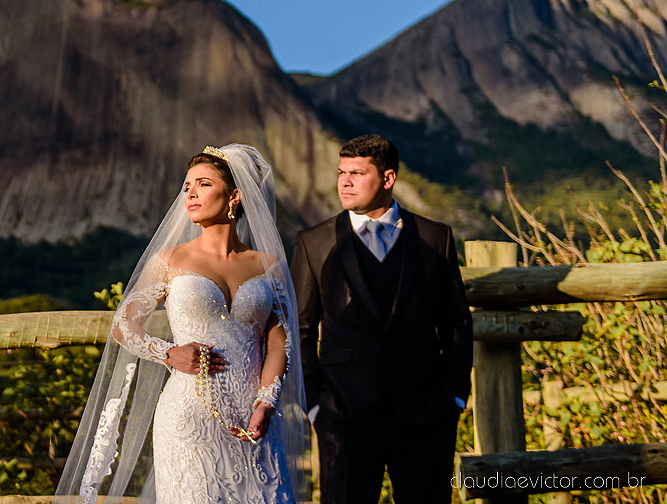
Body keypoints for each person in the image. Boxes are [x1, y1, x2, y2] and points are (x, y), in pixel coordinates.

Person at [56, 144, 308, 504]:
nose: (190, 194)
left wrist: (266, 403)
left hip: (255, 420)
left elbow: (279, 340)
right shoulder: (170, 260)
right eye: (187, 186)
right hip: (189, 417)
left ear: (234, 196)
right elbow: (123, 324)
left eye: (203, 184)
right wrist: (169, 353)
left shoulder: (269, 265)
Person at [291, 134, 472, 504]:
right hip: (344, 415)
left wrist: (455, 397)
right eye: (341, 173)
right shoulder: (314, 242)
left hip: (425, 414)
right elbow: (300, 329)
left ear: (388, 178)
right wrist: (315, 405)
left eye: (357, 173)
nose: (344, 182)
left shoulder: (436, 237)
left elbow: (456, 323)